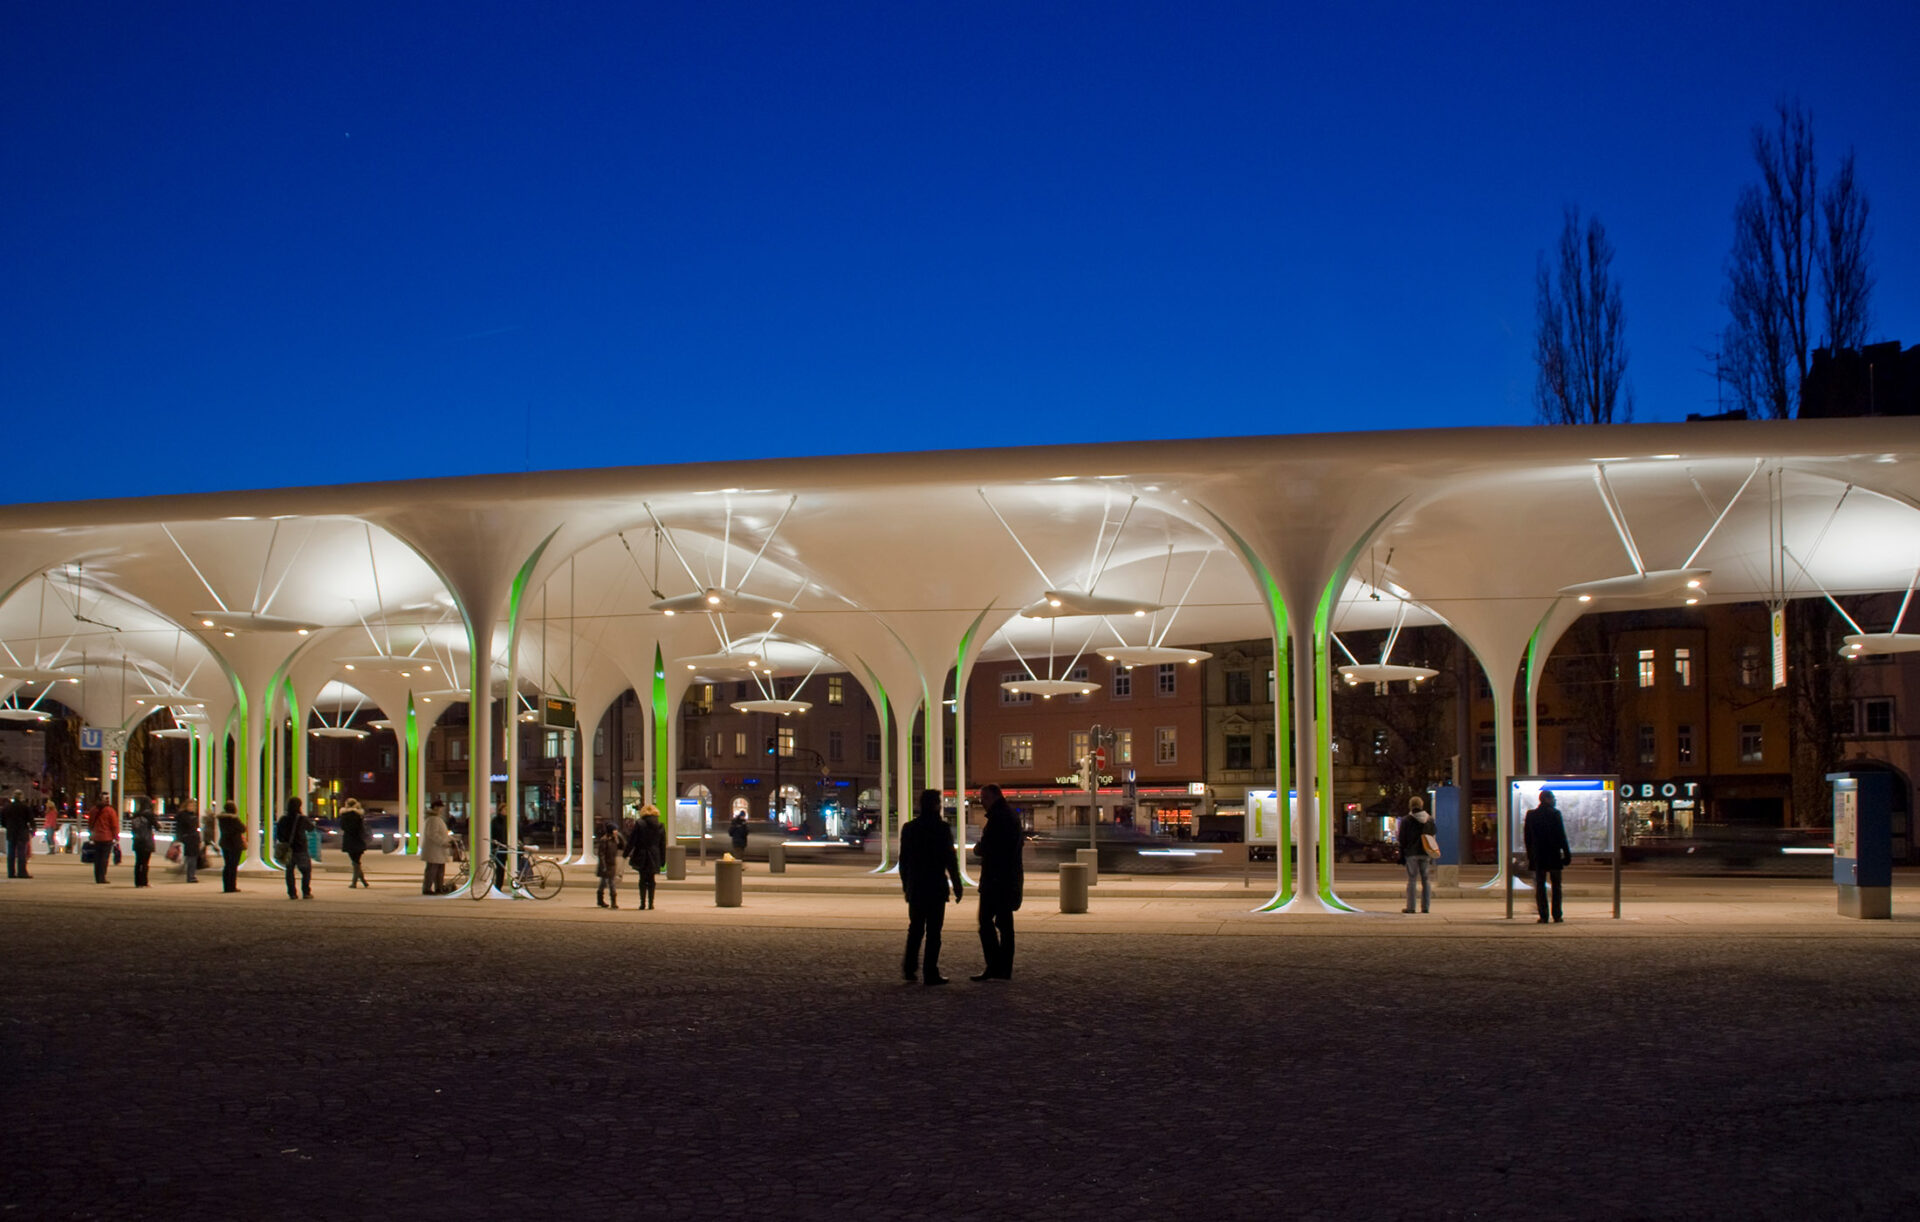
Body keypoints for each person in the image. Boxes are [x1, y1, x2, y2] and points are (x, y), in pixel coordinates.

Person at [898, 788, 963, 986]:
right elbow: (950, 860)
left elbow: (904, 861)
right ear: (936, 805)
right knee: (934, 932)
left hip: (917, 886)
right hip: (935, 886)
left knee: (915, 929)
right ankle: (930, 972)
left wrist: (906, 885)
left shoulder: (909, 828)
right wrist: (957, 885)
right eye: (939, 802)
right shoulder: (942, 828)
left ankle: (910, 969)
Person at [972, 783, 1024, 981]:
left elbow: (990, 847)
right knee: (1004, 924)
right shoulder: (1009, 815)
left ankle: (995, 966)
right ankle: (1003, 968)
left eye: (983, 798)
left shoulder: (998, 818)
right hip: (1007, 878)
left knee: (987, 922)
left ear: (993, 797)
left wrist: (978, 849)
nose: (981, 802)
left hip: (996, 880)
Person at [1523, 788, 1574, 924]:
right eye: (1553, 798)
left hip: (1539, 856)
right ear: (1547, 799)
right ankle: (1557, 915)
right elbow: (1561, 836)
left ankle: (1543, 915)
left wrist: (1530, 856)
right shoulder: (1555, 814)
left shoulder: (1531, 815)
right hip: (1554, 855)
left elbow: (1527, 838)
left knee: (1540, 886)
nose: (1555, 800)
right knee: (1556, 886)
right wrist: (1567, 854)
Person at [1398, 795, 1436, 914]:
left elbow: (1402, 838)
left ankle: (1411, 907)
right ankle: (1426, 907)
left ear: (1410, 806)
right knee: (1426, 880)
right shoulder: (1429, 819)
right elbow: (1434, 832)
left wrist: (1402, 853)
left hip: (1411, 853)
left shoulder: (1406, 820)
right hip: (1426, 852)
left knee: (1412, 880)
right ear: (1421, 805)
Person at [275, 797, 315, 900]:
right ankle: (306, 891)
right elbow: (311, 828)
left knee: (289, 871)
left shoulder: (283, 819)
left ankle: (292, 893)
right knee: (306, 870)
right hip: (300, 848)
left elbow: (278, 834)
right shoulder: (301, 818)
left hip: (288, 849)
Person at [627, 803, 665, 910]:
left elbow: (632, 841)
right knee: (652, 879)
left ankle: (642, 903)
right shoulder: (660, 826)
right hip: (654, 854)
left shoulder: (639, 824)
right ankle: (651, 904)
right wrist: (663, 860)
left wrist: (625, 854)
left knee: (642, 879)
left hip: (641, 854)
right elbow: (662, 844)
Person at [420, 801, 452, 895]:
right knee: (432, 870)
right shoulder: (433, 819)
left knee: (439, 870)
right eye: (440, 807)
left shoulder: (436, 818)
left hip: (438, 850)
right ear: (435, 808)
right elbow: (432, 834)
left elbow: (441, 833)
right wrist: (443, 842)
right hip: (435, 849)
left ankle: (439, 887)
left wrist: (449, 839)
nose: (442, 809)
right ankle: (427, 888)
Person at [594, 818, 626, 909]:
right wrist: (603, 866)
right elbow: (601, 854)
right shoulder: (604, 840)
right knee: (610, 883)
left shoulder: (614, 839)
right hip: (606, 865)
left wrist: (619, 838)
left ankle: (600, 900)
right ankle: (613, 902)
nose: (616, 831)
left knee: (603, 882)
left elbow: (623, 847)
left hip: (612, 864)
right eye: (615, 830)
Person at [3, 789, 35, 879]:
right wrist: (33, 829)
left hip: (11, 832)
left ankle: (11, 872)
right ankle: (22, 872)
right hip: (22, 832)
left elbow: (3, 821)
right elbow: (31, 820)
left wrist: (8, 827)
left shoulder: (7, 808)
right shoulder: (25, 807)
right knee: (21, 853)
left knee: (11, 853)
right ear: (21, 797)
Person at [126, 798, 158, 887]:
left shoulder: (135, 815)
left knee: (138, 862)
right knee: (145, 863)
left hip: (137, 841)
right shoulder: (149, 815)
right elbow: (157, 827)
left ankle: (137, 882)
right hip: (146, 841)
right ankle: (144, 881)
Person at [87, 795, 119, 884]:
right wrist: (116, 837)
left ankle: (97, 877)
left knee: (97, 858)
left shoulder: (93, 810)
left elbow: (90, 823)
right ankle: (102, 877)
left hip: (96, 837)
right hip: (107, 837)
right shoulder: (110, 811)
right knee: (104, 858)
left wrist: (91, 834)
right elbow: (114, 825)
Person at [216, 801, 246, 892]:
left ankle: (226, 886)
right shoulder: (234, 819)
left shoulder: (221, 819)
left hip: (225, 843)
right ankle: (232, 886)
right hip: (235, 844)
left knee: (227, 865)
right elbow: (243, 828)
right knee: (233, 866)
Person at [339, 799, 369, 888]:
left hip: (349, 840)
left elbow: (342, 827)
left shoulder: (344, 816)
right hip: (359, 840)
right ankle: (363, 881)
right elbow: (362, 828)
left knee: (355, 862)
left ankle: (354, 883)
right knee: (356, 862)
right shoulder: (359, 815)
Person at [174, 800, 203, 884]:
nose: (192, 807)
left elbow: (196, 828)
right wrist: (180, 838)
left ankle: (191, 875)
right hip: (188, 838)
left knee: (192, 857)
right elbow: (179, 828)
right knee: (191, 857)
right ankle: (190, 876)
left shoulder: (193, 815)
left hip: (194, 838)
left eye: (193, 806)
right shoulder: (182, 815)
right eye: (190, 806)